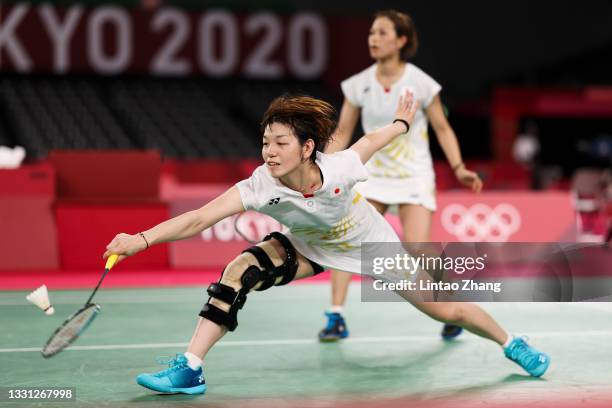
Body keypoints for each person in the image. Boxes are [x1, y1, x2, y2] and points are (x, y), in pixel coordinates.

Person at [103, 93, 549, 395]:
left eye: (280, 143)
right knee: (240, 271)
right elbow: (201, 217)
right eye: (265, 143)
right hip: (308, 248)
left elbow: (372, 139)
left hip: (372, 245)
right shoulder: (262, 185)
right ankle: (190, 368)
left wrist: (399, 122)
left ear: (307, 146)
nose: (269, 152)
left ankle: (513, 343)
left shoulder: (339, 169)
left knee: (445, 309)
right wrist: (141, 239)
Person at [319, 10, 483, 342]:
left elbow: (442, 128)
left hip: (414, 176)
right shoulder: (359, 84)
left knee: (419, 249)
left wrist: (458, 167)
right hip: (372, 176)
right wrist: (323, 163)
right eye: (371, 33)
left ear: (401, 40)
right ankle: (336, 316)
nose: (373, 39)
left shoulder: (420, 83)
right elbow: (343, 130)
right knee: (346, 239)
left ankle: (451, 308)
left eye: (381, 33)